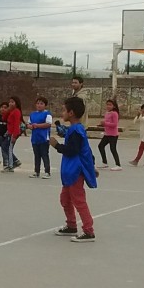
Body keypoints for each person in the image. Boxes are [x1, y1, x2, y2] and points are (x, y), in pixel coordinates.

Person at [50, 96, 98, 242]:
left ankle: (88, 230)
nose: (62, 112)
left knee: (78, 200)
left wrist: (56, 145)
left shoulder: (76, 130)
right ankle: (71, 225)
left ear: (71, 113)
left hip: (75, 171)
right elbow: (87, 150)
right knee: (65, 198)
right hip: (70, 171)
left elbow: (73, 150)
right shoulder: (75, 130)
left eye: (64, 110)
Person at [27, 96, 53, 178]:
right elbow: (28, 124)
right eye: (38, 103)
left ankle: (47, 172)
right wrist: (30, 126)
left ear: (45, 105)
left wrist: (37, 125)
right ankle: (36, 171)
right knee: (36, 155)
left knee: (44, 154)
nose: (39, 105)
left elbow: (48, 124)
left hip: (44, 138)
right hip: (35, 138)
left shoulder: (47, 113)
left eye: (41, 103)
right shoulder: (32, 114)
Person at [96, 99, 122, 170]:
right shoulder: (107, 113)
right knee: (100, 146)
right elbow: (107, 123)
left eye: (110, 105)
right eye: (107, 104)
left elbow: (115, 124)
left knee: (113, 149)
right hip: (107, 134)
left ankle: (118, 165)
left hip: (113, 134)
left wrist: (105, 123)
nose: (108, 106)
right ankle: (104, 163)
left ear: (113, 106)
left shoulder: (114, 113)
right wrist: (101, 125)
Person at [3, 96, 23, 172]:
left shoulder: (17, 111)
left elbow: (16, 124)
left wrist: (14, 135)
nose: (10, 103)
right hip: (9, 132)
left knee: (9, 148)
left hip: (13, 133)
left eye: (12, 102)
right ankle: (15, 161)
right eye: (10, 102)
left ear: (16, 103)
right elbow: (4, 118)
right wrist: (8, 110)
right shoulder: (11, 111)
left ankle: (11, 165)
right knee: (5, 147)